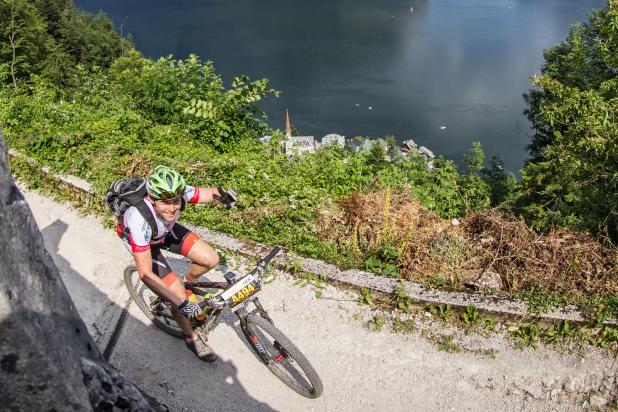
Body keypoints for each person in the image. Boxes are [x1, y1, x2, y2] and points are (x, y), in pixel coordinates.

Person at [117, 165, 237, 362]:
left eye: (176, 201)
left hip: (164, 230)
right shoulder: (139, 220)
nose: (173, 207)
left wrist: (222, 194)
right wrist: (181, 302)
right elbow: (145, 274)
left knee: (211, 259)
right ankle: (191, 338)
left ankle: (187, 282)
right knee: (179, 298)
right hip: (147, 243)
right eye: (165, 203)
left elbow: (201, 194)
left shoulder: (174, 193)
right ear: (152, 198)